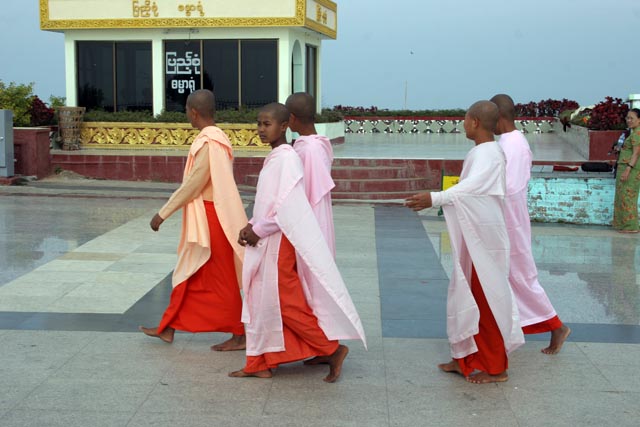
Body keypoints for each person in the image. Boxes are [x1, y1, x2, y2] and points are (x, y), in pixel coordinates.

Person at [229, 103, 366, 382]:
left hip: (279, 242)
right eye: (259, 124)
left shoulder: (289, 158)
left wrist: (261, 228)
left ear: (284, 126)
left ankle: (331, 349)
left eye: (267, 124)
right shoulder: (278, 157)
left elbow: (290, 208)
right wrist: (251, 225)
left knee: (285, 302)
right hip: (266, 237)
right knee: (261, 299)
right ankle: (260, 362)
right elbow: (269, 203)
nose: (261, 129)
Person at [405, 100, 524, 384]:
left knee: (486, 300)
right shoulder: (485, 151)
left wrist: (435, 198)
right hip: (478, 236)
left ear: (474, 122)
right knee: (469, 295)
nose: (463, 124)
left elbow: (468, 189)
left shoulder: (488, 154)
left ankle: (497, 368)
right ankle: (465, 358)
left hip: (486, 240)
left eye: (465, 119)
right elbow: (470, 192)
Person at [139, 89, 248, 351]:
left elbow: (193, 185)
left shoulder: (210, 142)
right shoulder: (218, 138)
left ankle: (240, 333)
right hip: (211, 216)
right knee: (189, 273)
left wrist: (163, 213)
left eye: (187, 110)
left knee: (219, 280)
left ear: (193, 112)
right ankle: (169, 326)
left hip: (214, 218)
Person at [490, 94, 571, 355]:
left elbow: (509, 188)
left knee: (522, 276)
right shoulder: (507, 141)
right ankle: (505, 329)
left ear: (500, 117)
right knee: (506, 277)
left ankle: (556, 325)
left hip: (510, 219)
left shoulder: (512, 144)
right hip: (505, 218)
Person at [285, 92, 336, 256]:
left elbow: (306, 194)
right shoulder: (318, 144)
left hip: (310, 219)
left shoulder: (309, 149)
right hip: (317, 217)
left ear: (292, 118)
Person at [613, 108, 640, 233]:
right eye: (627, 118)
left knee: (628, 197)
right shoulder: (632, 132)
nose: (628, 121)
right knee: (622, 196)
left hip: (631, 169)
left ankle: (631, 226)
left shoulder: (637, 134)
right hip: (624, 166)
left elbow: (636, 154)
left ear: (639, 120)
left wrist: (628, 169)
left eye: (632, 118)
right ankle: (623, 224)